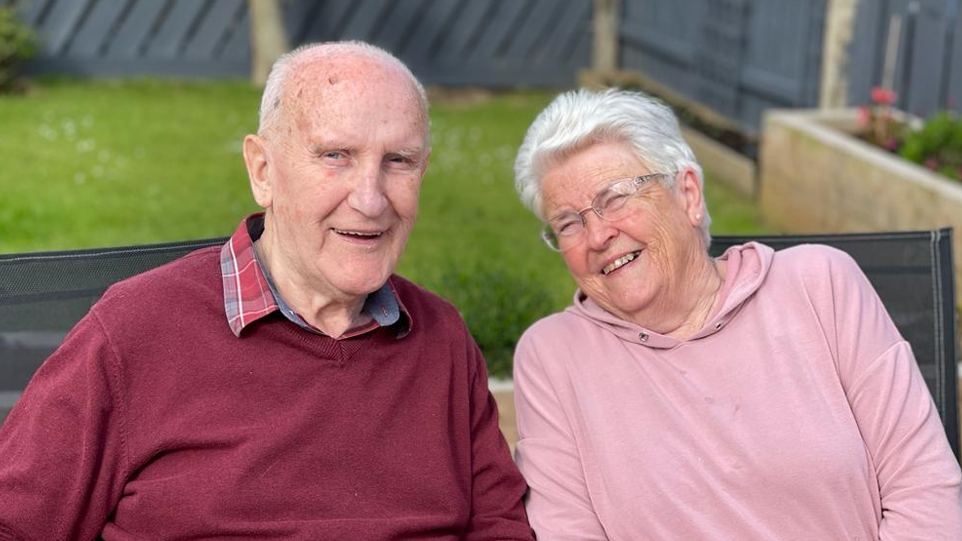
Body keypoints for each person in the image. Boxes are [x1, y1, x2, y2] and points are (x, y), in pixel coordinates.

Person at [0, 41, 533, 540]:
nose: (371, 200)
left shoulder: (441, 339)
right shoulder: (134, 332)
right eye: (335, 155)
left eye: (398, 161)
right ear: (262, 171)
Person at [510, 88, 962, 540]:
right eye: (569, 223)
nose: (597, 235)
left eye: (615, 199)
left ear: (688, 194)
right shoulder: (553, 358)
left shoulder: (821, 286)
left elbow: (925, 492)